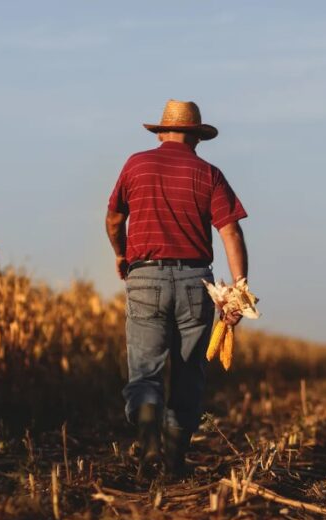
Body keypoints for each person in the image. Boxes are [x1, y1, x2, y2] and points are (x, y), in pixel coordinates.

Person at [105, 99, 249, 475]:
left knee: (146, 370)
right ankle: (173, 460)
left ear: (162, 132)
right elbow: (230, 230)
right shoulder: (208, 174)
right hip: (194, 283)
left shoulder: (136, 164)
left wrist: (121, 254)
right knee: (189, 373)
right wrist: (238, 288)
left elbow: (114, 218)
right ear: (197, 137)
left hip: (145, 276)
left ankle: (149, 439)